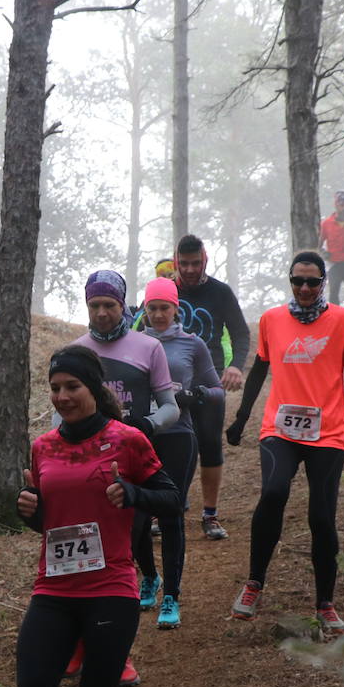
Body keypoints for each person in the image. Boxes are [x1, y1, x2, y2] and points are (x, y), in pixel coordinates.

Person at [12, 345, 179, 687]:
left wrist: (133, 494)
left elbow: (171, 500)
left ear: (94, 389)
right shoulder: (42, 447)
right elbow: (51, 521)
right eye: (55, 388)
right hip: (54, 589)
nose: (62, 397)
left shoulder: (126, 441)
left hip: (110, 588)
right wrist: (30, 512)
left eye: (72, 387)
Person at [224, 251, 344, 631]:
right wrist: (241, 419)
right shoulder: (271, 320)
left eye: (312, 281)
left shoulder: (341, 320)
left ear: (324, 282)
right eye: (298, 281)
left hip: (327, 433)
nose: (305, 288)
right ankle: (254, 583)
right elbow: (260, 369)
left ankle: (325, 603)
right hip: (280, 430)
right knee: (274, 493)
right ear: (289, 281)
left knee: (321, 517)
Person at [71, 270, 179, 627]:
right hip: (91, 458)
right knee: (102, 535)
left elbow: (170, 406)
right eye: (94, 305)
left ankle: (150, 595)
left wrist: (145, 425)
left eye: (109, 305)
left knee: (142, 525)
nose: (101, 313)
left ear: (123, 306)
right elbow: (63, 411)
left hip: (139, 453)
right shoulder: (77, 351)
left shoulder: (148, 347)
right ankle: (114, 600)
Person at [133, 277, 223, 630]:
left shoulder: (192, 344)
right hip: (141, 437)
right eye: (152, 308)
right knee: (138, 515)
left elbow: (217, 390)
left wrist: (194, 393)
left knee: (170, 514)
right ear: (144, 308)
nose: (157, 314)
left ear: (175, 309)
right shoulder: (134, 343)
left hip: (179, 435)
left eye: (164, 308)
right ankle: (150, 577)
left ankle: (171, 594)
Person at [173, 235, 250, 540]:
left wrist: (235, 366)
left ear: (205, 259)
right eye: (184, 263)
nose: (190, 269)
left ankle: (210, 514)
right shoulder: (166, 288)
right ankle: (166, 508)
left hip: (209, 379)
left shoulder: (220, 292)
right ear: (175, 260)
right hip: (169, 381)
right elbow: (144, 325)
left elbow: (241, 334)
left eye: (196, 263)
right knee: (169, 444)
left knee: (208, 443)